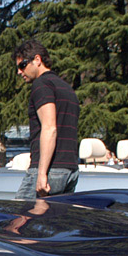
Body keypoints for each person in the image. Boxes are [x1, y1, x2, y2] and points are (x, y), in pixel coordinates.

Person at [13, 39, 80, 199]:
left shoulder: (42, 85)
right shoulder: (66, 88)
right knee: (54, 223)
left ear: (37, 60)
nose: (19, 72)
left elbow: (50, 128)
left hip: (50, 170)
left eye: (22, 65)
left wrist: (42, 174)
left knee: (19, 221)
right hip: (70, 169)